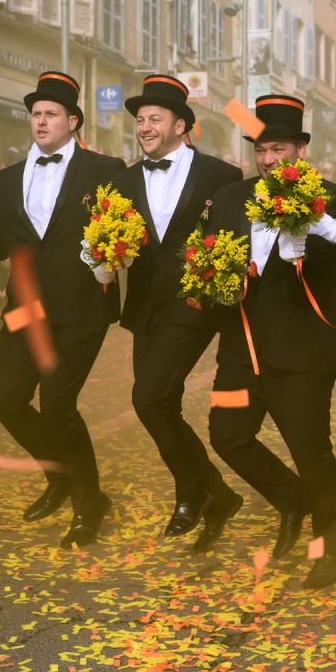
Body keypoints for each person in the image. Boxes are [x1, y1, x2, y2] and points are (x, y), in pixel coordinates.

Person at [0, 72, 125, 548]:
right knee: (5, 402)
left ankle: (88, 500)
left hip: (81, 309)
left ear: (72, 122)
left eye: (50, 114)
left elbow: (125, 229)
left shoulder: (106, 169)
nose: (40, 121)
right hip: (22, 308)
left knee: (59, 409)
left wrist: (113, 261)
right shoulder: (7, 177)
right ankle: (59, 474)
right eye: (35, 114)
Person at [205, 95, 336, 585]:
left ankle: (333, 545)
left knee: (310, 449)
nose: (268, 160)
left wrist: (321, 229)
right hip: (240, 350)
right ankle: (291, 499)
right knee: (227, 436)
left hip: (304, 354)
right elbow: (209, 259)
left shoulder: (329, 197)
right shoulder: (229, 198)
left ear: (301, 150)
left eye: (278, 149)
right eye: (261, 150)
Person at [108, 74, 243, 544]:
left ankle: (195, 493)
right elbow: (109, 241)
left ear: (181, 125)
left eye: (154, 118)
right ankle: (212, 493)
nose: (144, 127)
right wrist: (102, 258)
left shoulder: (221, 177)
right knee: (157, 404)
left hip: (194, 304)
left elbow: (233, 241)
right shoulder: (123, 180)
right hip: (145, 305)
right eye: (140, 120)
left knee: (148, 398)